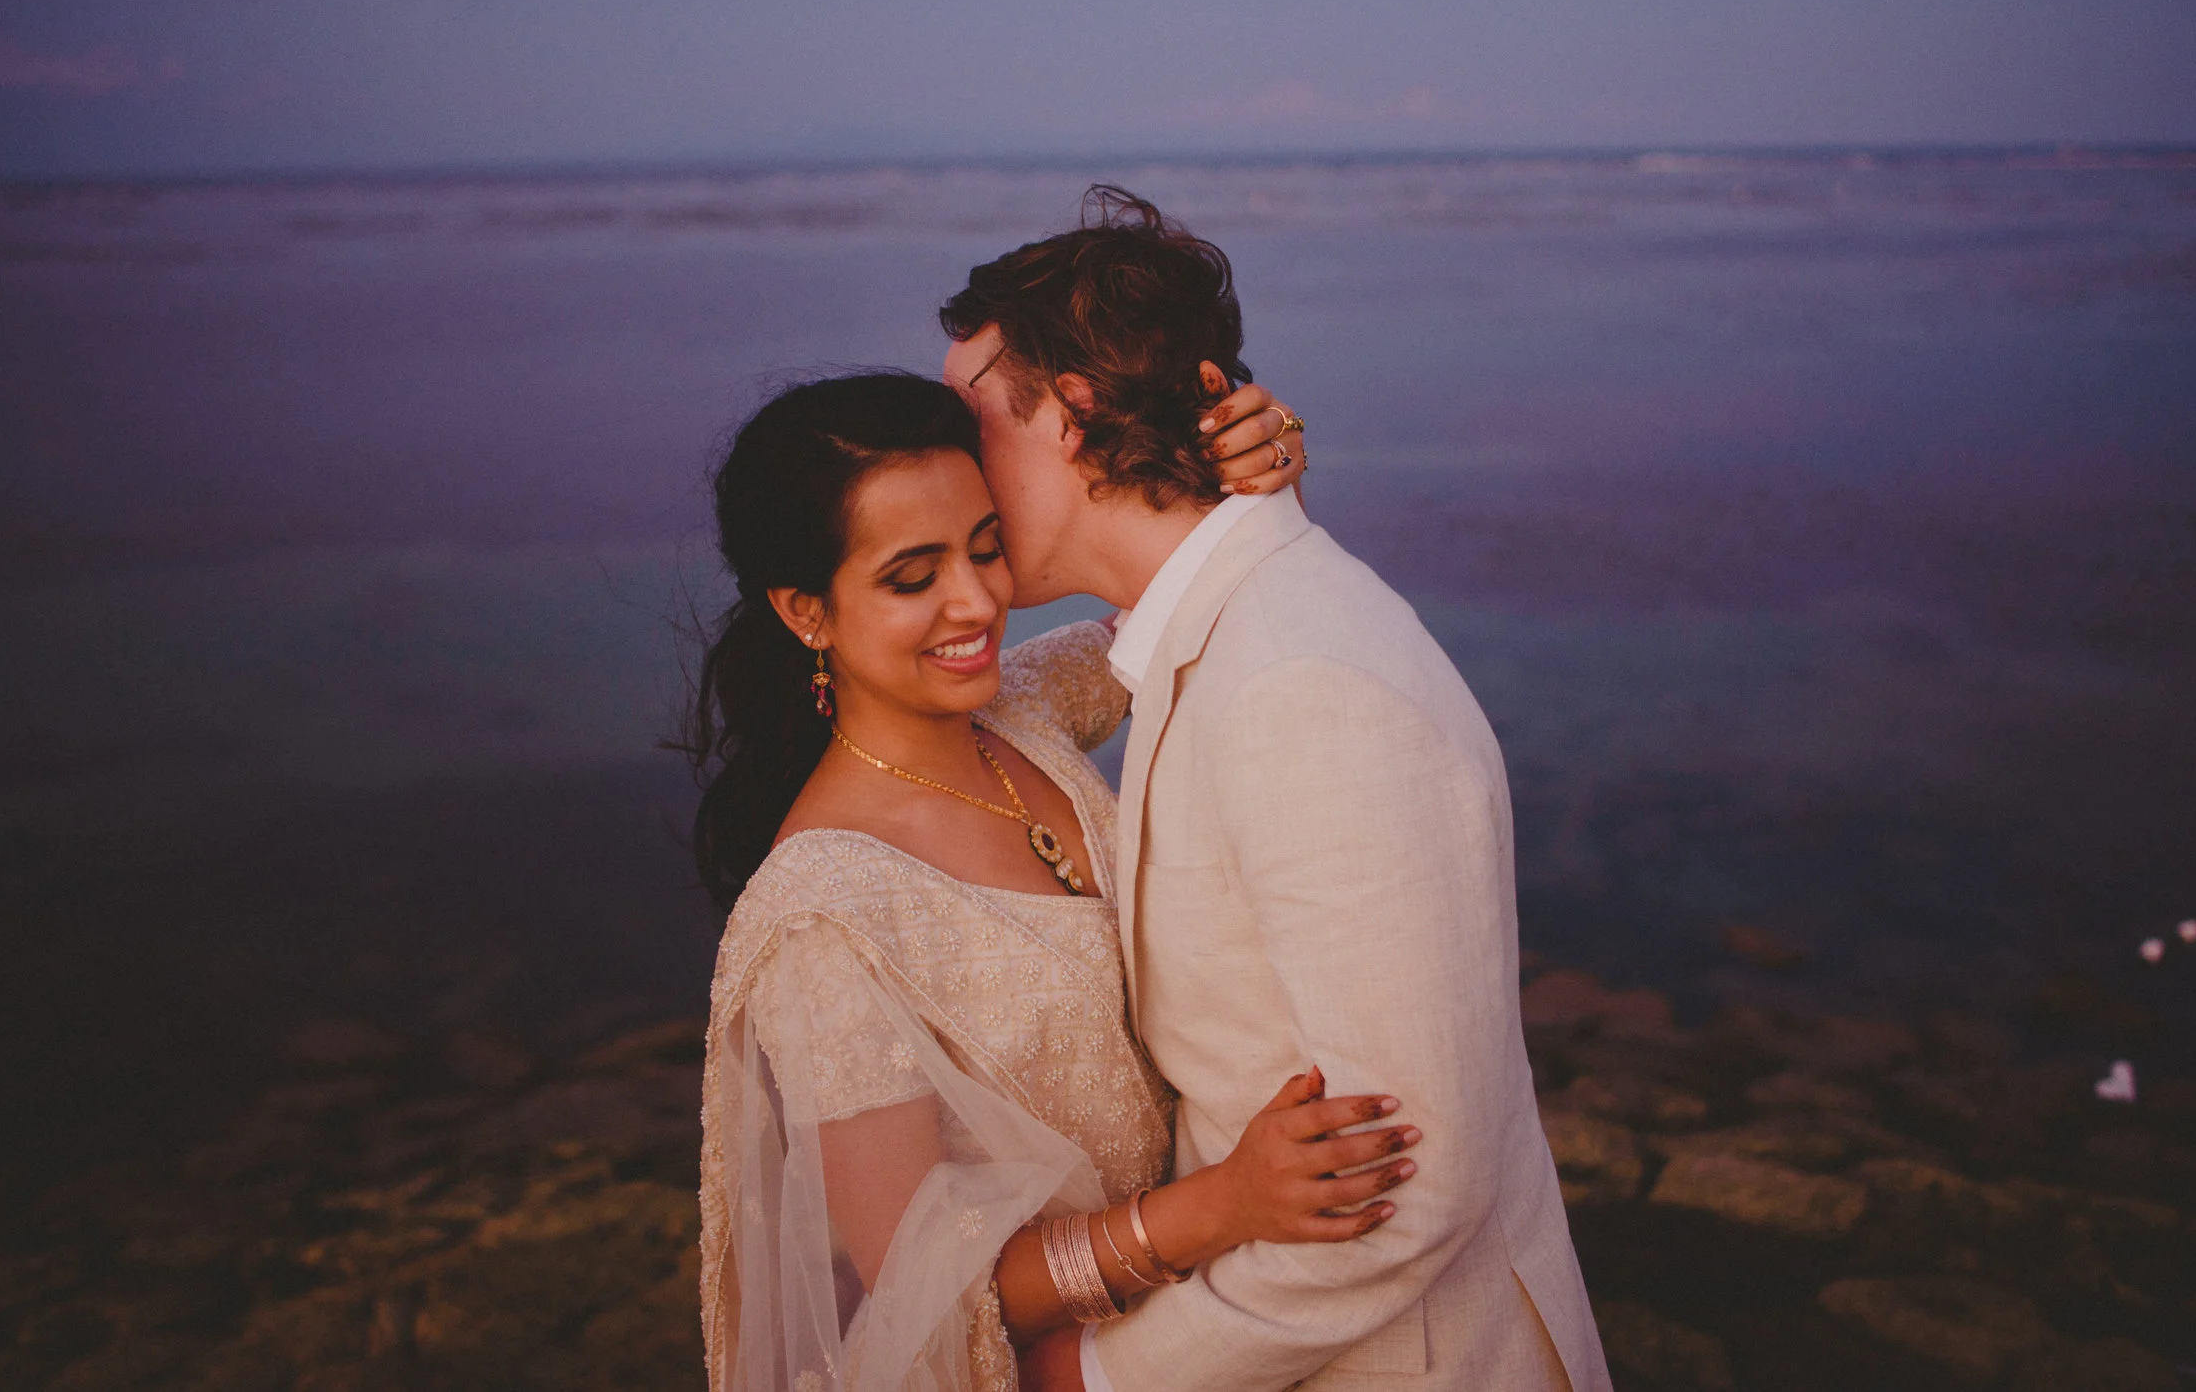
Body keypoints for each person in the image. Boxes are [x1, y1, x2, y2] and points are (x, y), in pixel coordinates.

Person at [938, 188, 1612, 1392]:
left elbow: (1411, 1187)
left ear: (1073, 417)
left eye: (968, 420)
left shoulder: (1306, 690)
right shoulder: (1216, 627)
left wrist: (1096, 1376)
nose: (947, 465)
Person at [689, 369, 1418, 1392]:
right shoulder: (821, 918)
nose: (977, 601)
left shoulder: (1022, 708)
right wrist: (1220, 1206)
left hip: (1230, 1323)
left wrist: (1256, 478)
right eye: (913, 576)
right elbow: (929, 1300)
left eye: (986, 547)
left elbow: (1195, 601)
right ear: (807, 611)